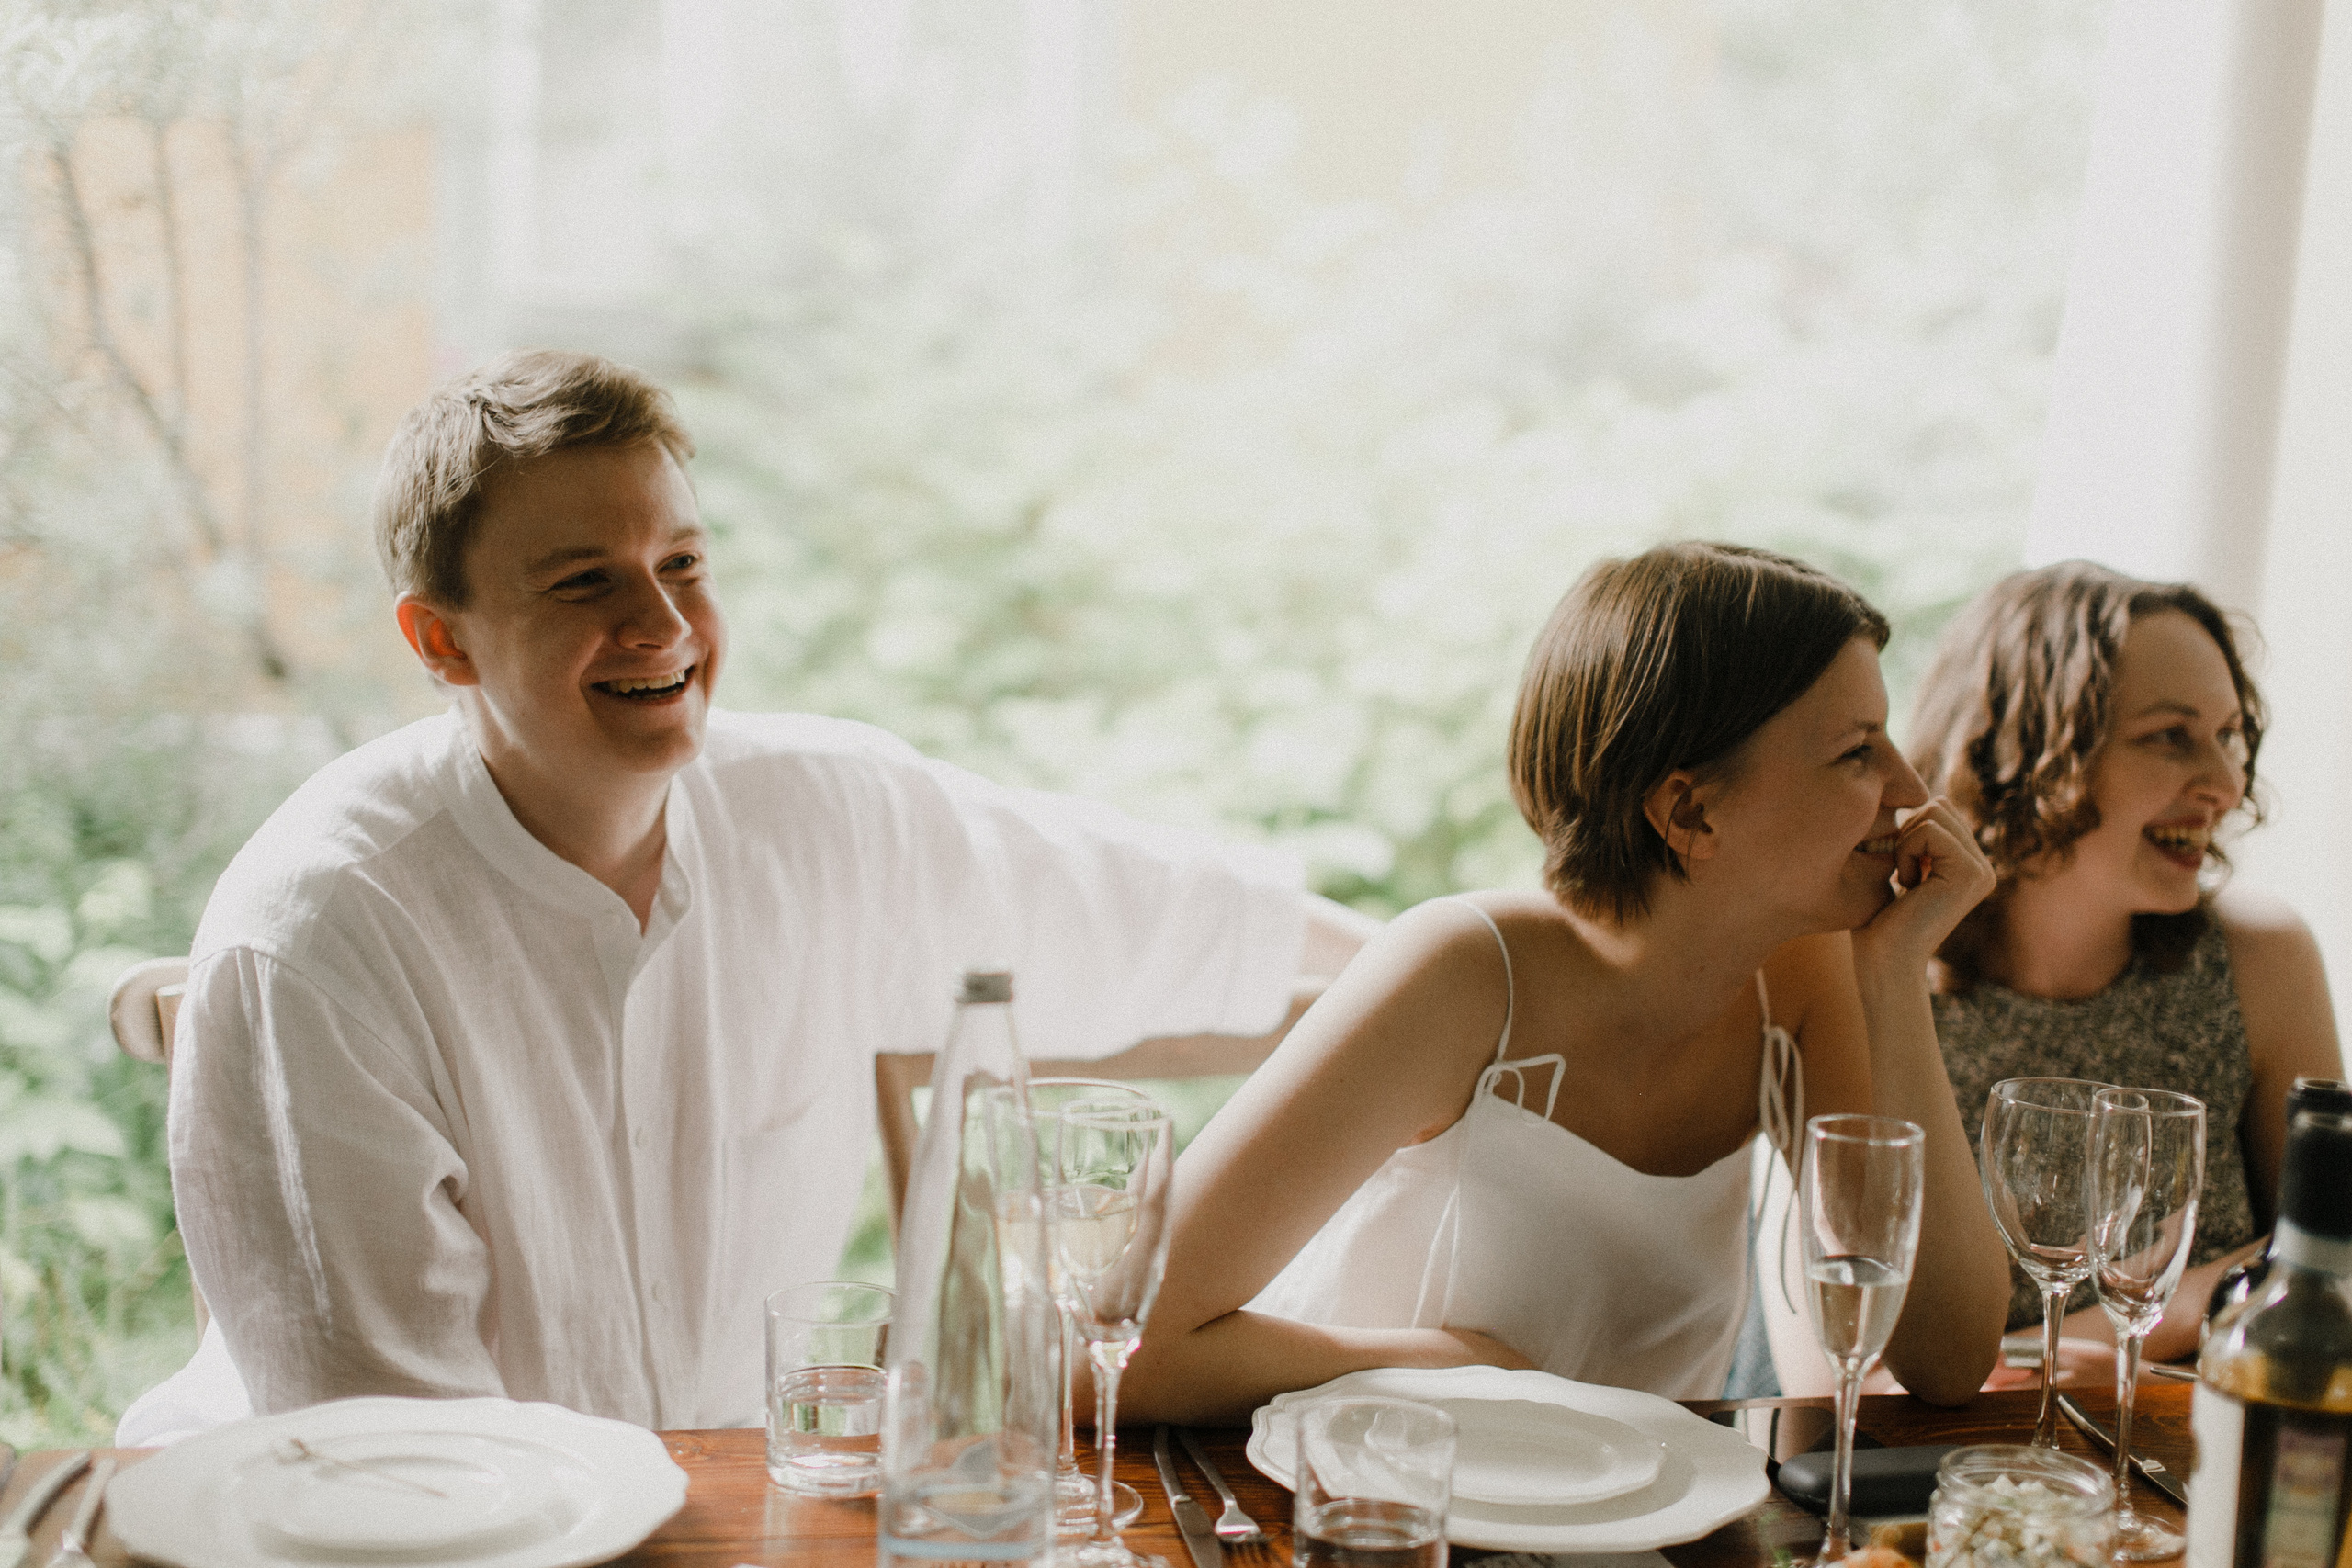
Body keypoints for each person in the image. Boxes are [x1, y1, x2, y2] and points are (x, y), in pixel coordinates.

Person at [120, 349, 1373, 1443]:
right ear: (442, 641)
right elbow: (390, 1456)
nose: (662, 621)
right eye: (584, 582)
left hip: (730, 1506)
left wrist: (1478, 981)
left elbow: (1184, 924)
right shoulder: (319, 938)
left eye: (681, 561)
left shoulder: (828, 812)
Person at [1121, 543, 2011, 1426]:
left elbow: (1946, 1358)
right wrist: (1459, 1368)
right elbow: (1121, 1346)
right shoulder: (1459, 972)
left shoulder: (1805, 976)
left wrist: (1895, 974)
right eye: (1858, 752)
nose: (1910, 791)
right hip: (1371, 1519)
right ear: (1690, 811)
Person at [1906, 560, 2343, 1371]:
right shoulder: (1891, 976)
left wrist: (2136, 1325)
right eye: (2170, 736)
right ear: (2030, 753)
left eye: (2227, 734)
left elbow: (2333, 1268)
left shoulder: (2259, 960)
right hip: (1957, 1477)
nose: (2224, 782)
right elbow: (1831, 1374)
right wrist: (2177, 1311)